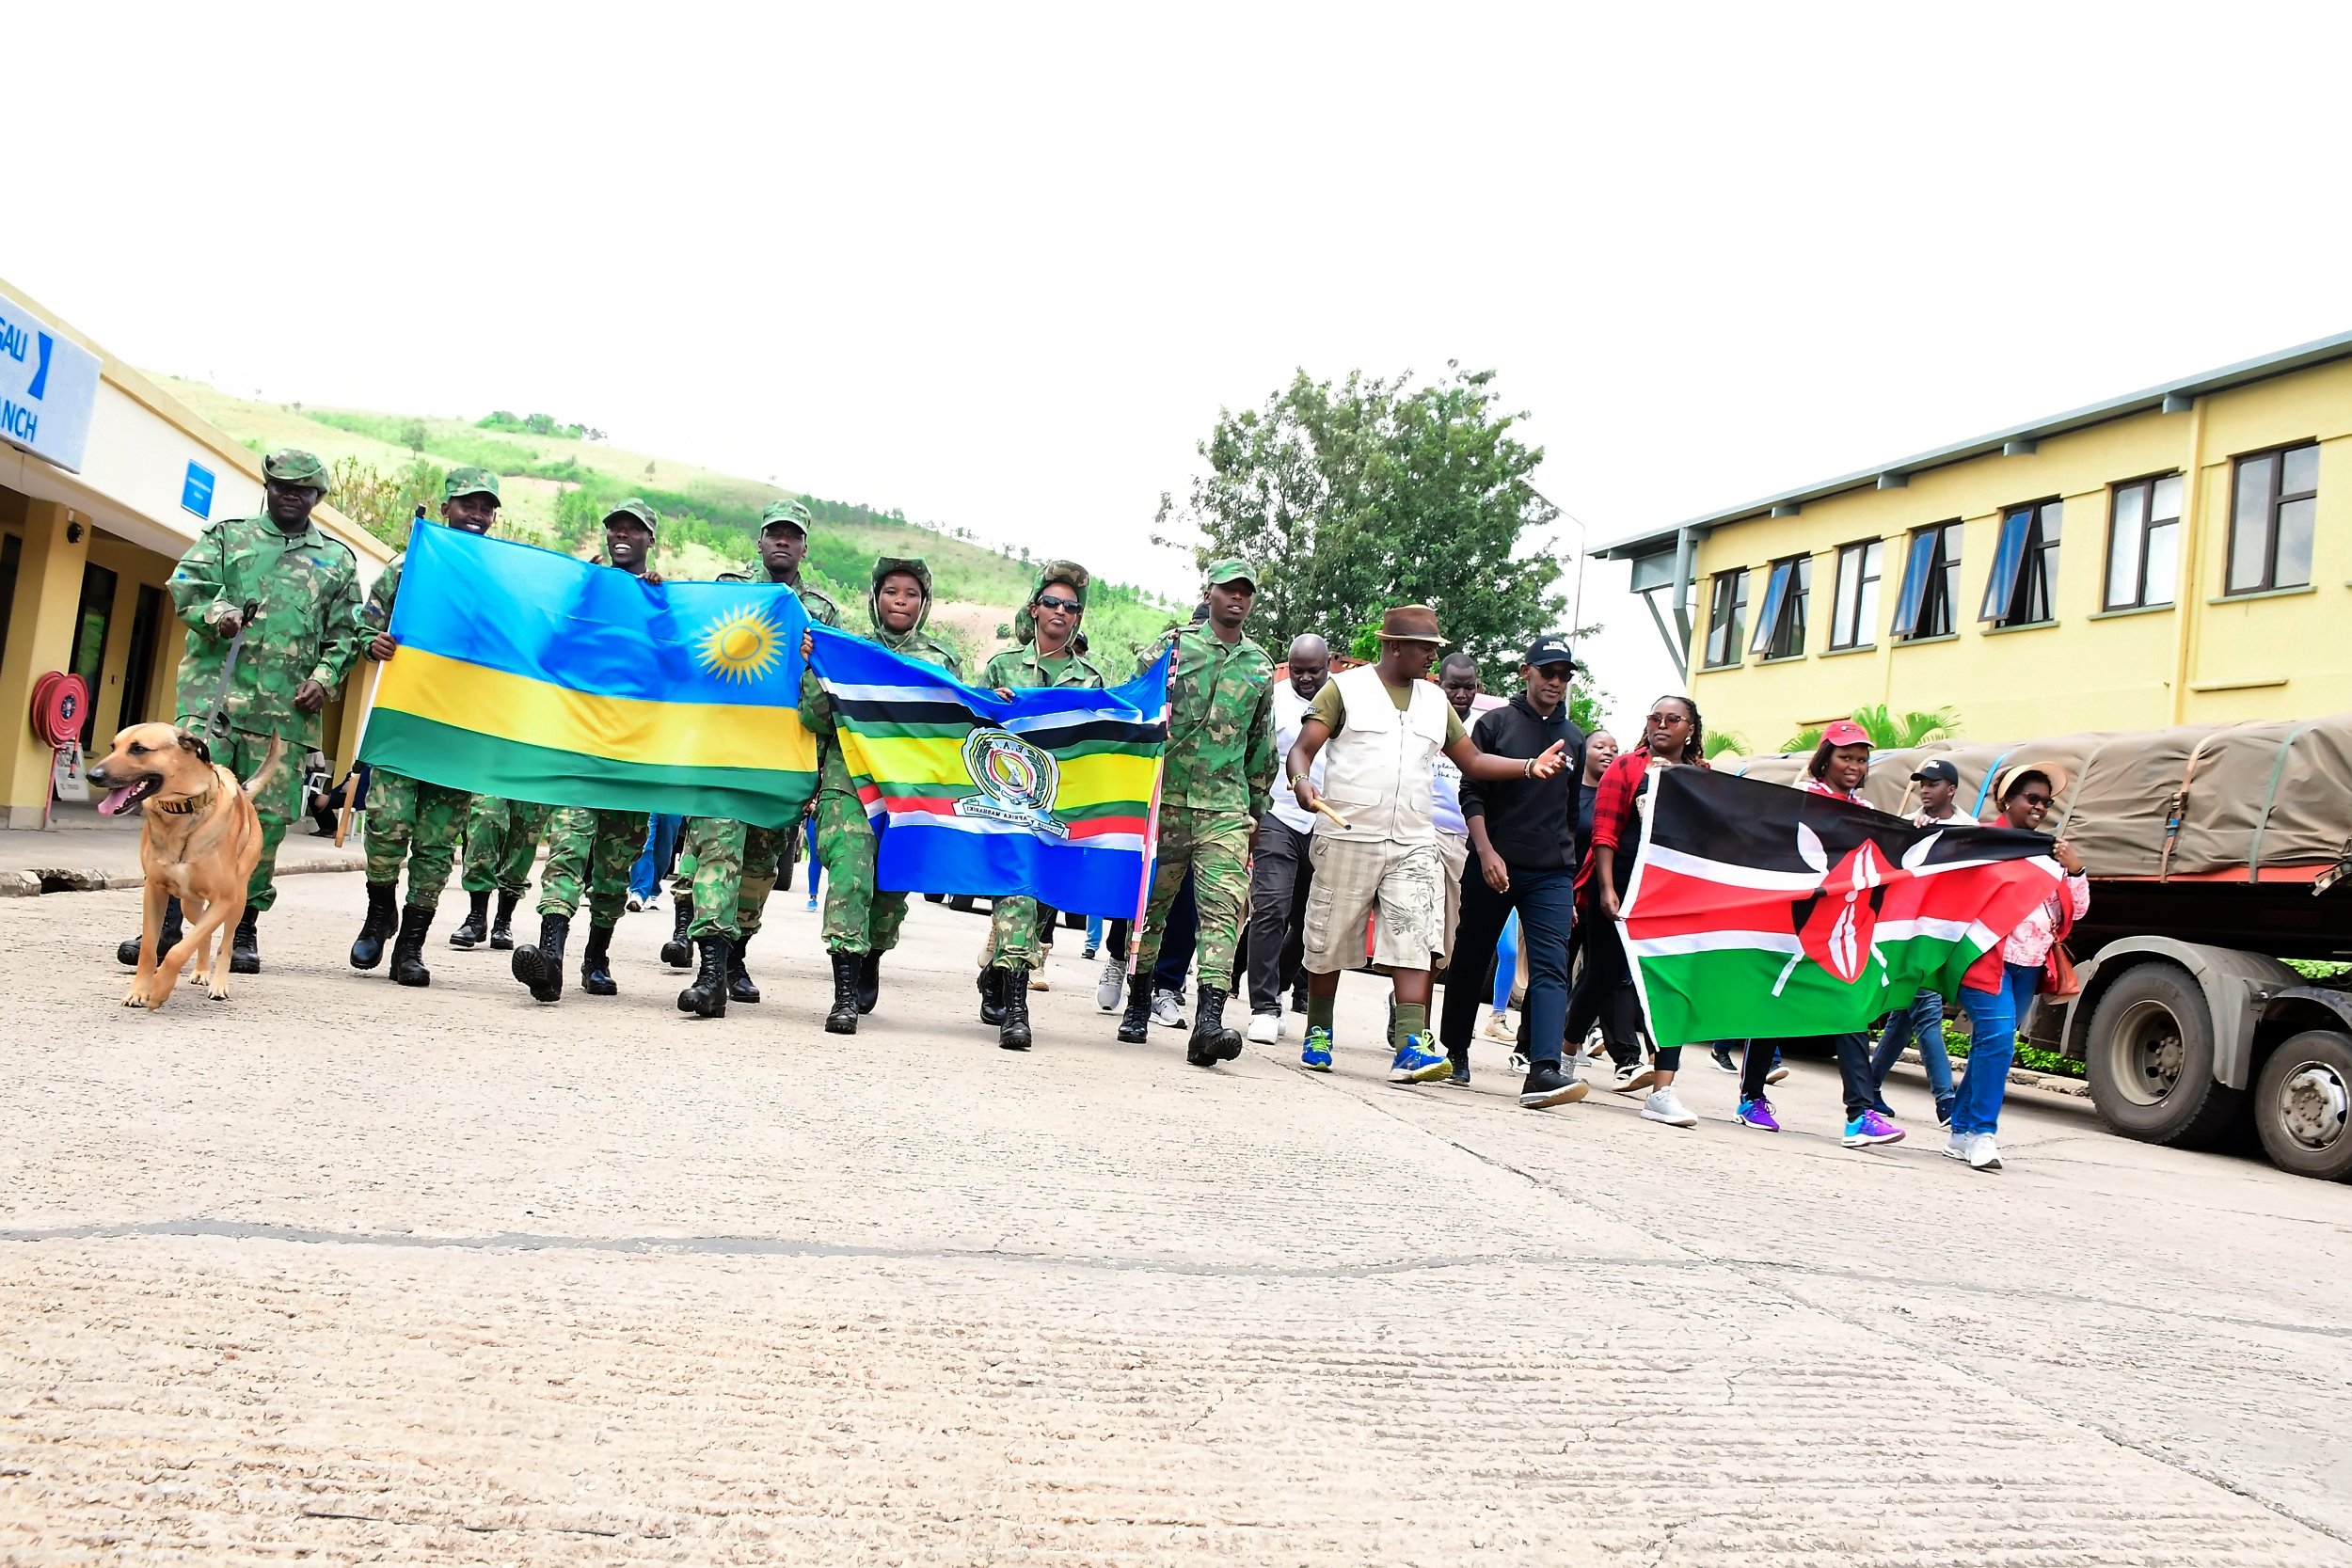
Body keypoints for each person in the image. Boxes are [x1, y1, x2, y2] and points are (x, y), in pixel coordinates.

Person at [1287, 605, 1569, 1096]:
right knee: (1329, 938)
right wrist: (1301, 781)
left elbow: (1475, 761)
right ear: (1396, 646)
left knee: (1416, 936)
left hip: (1414, 840)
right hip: (1349, 830)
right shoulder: (1344, 689)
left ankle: (1410, 1045)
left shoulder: (1435, 701)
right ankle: (1319, 1028)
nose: (1431, 658)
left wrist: (1528, 767)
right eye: (1426, 649)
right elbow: (1303, 748)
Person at [119, 448, 362, 975]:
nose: (290, 495)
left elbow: (346, 636)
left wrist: (324, 679)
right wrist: (219, 613)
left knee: (265, 823)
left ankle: (244, 924)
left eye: (302, 489)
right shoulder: (229, 536)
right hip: (214, 703)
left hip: (286, 715)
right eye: (280, 486)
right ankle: (162, 928)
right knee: (178, 805)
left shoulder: (338, 562)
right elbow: (186, 585)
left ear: (317, 497)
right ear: (268, 488)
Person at [671, 500, 843, 1018]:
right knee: (717, 852)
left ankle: (736, 955)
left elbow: (830, 686)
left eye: (793, 536)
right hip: (723, 750)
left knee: (760, 863)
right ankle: (711, 973)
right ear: (760, 541)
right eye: (774, 534)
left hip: (782, 756)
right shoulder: (726, 591)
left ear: (804, 546)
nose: (782, 543)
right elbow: (688, 640)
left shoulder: (824, 611)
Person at [1115, 563, 1277, 1065]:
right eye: (1229, 590)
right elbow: (1129, 708)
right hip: (1164, 801)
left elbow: (1260, 745)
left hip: (1224, 808)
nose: (1236, 600)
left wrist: (1255, 814)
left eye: (1245, 593)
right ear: (1210, 593)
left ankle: (1208, 1020)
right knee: (1152, 909)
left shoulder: (1259, 665)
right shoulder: (1172, 648)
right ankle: (1138, 1001)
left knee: (1223, 910)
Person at [348, 467, 501, 987]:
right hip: (406, 721)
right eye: (466, 505)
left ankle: (410, 946)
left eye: (485, 508)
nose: (476, 516)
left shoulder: (501, 579)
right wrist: (374, 641)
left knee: (437, 846)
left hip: (461, 730)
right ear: (445, 510)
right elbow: (363, 625)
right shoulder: (408, 567)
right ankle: (379, 914)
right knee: (386, 826)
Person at [510, 499, 662, 1004]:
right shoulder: (584, 590)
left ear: (650, 541)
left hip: (632, 755)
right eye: (615, 528)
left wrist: (662, 604)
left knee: (616, 864)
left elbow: (678, 666)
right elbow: (550, 651)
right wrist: (581, 598)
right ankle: (550, 959)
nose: (622, 535)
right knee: (568, 850)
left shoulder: (663, 600)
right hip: (581, 747)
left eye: (633, 529)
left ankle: (596, 958)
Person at [1734, 719, 1908, 1148]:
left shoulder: (1867, 814)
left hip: (1844, 931)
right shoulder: (1802, 801)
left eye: (1861, 759)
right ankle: (1751, 1098)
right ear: (1825, 758)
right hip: (1795, 924)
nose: (1854, 765)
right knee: (1773, 1009)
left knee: (1850, 1011)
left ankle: (1860, 1113)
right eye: (1846, 757)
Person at [809, 555, 963, 1033]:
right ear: (876, 597)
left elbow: (959, 731)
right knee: (850, 880)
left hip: (908, 797)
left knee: (890, 890)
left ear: (925, 603)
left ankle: (872, 952)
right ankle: (845, 991)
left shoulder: (939, 662)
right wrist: (814, 667)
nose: (901, 600)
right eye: (892, 591)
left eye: (912, 593)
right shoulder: (847, 649)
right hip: (849, 786)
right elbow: (812, 718)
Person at [1438, 636, 1589, 1103]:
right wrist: (1485, 852)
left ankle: (1543, 1068)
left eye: (1565, 675)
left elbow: (1569, 812)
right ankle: (1455, 1050)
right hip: (1493, 862)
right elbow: (1472, 794)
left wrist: (1569, 875)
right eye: (1548, 672)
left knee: (1551, 966)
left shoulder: (1576, 738)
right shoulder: (1495, 725)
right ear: (1527, 672)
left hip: (1550, 872)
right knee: (1471, 957)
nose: (1557, 682)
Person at [975, 561, 1106, 1050]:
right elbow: (969, 721)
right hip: (1006, 801)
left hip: (1060, 806)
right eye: (1051, 602)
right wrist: (988, 702)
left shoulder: (1090, 678)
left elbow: (1099, 739)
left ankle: (995, 972)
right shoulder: (1002, 667)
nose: (1061, 611)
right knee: (1017, 891)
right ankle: (1016, 1005)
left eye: (1071, 607)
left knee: (1041, 901)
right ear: (1034, 610)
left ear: (1078, 619)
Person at [1566, 694, 1707, 1126]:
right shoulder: (1626, 768)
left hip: (1669, 895)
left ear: (1690, 728)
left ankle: (1663, 1091)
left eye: (1672, 719)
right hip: (1622, 885)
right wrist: (1607, 889)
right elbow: (1604, 833)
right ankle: (1565, 1057)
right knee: (1603, 975)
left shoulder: (1700, 776)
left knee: (1671, 985)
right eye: (1654, 718)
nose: (1661, 725)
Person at [1948, 765, 2088, 1171]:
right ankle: (1981, 1134)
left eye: (2047, 801)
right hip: (1985, 961)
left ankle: (1960, 1131)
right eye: (2032, 798)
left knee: (1991, 1044)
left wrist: (2076, 869)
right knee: (1998, 1041)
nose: (2041, 807)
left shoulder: (2050, 853)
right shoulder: (1982, 843)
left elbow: (2075, 911)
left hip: (2029, 966)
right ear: (2007, 800)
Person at [1867, 758, 1964, 1125]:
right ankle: (1946, 1100)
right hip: (1910, 933)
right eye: (1922, 782)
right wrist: (1915, 832)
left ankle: (1871, 1085)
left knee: (1905, 1018)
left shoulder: (1967, 829)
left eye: (1934, 783)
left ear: (1951, 789)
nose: (1925, 788)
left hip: (1941, 933)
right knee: (1926, 1015)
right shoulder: (1912, 823)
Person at [1243, 634, 1330, 1044]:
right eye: (1298, 671)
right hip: (1279, 814)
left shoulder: (1342, 701)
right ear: (1287, 667)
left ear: (1328, 665)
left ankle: (1278, 986)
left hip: (1328, 825)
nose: (1306, 679)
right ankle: (1262, 1006)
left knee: (1307, 920)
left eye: (1314, 671)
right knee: (1271, 909)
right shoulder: (1274, 699)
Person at [1431, 652, 1483, 978]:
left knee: (1448, 945)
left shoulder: (1484, 728)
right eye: (1453, 687)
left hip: (1465, 841)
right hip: (1425, 834)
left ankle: (1401, 999)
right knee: (1430, 930)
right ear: (1439, 684)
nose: (1461, 695)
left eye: (1468, 688)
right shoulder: (1424, 717)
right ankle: (1413, 1017)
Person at [449, 795, 553, 951]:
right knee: (485, 820)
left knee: (524, 840)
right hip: (493, 773)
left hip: (535, 777)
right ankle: (476, 917)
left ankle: (503, 921)